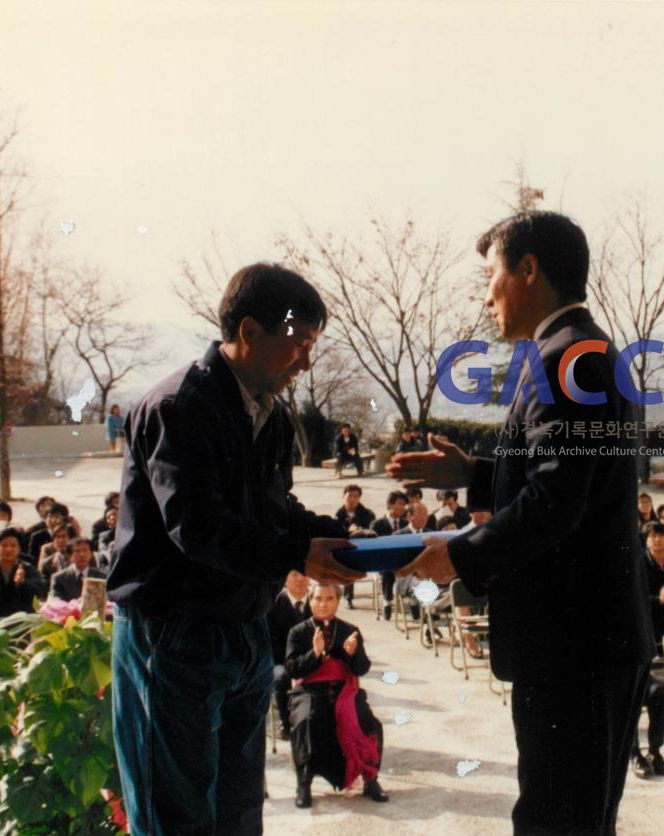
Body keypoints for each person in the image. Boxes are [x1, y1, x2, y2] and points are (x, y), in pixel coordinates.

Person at [390, 211, 653, 835]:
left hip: (575, 646)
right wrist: (475, 477)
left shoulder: (569, 361)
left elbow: (556, 503)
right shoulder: (577, 352)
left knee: (556, 821)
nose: (487, 295)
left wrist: (457, 554)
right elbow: (566, 485)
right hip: (584, 643)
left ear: (529, 270)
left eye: (492, 276)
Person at [107, 262, 361, 836]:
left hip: (242, 631)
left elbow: (276, 511)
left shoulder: (267, 413)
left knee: (239, 815)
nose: (306, 361)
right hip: (175, 635)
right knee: (176, 815)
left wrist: (342, 543)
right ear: (249, 332)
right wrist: (296, 555)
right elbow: (196, 526)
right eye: (299, 344)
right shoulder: (178, 407)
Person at [285, 582, 387, 807]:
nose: (323, 604)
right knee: (306, 721)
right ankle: (304, 784)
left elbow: (362, 669)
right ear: (310, 601)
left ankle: (371, 779)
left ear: (338, 601)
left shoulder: (350, 630)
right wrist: (315, 654)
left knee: (371, 724)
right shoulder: (298, 632)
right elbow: (292, 668)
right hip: (310, 691)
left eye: (329, 599)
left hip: (345, 690)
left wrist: (352, 654)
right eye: (318, 599)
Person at [632, 522, 664, 780]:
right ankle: (633, 754)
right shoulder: (637, 568)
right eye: (653, 537)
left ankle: (654, 751)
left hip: (643, 660)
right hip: (616, 673)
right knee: (625, 698)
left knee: (660, 693)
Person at [267, 570, 312, 738]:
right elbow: (271, 644)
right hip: (282, 661)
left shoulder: (318, 600)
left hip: (312, 660)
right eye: (294, 574)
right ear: (285, 580)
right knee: (281, 678)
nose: (300, 579)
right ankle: (286, 724)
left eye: (304, 574)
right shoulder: (273, 605)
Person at [369, 491, 409, 621]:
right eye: (400, 504)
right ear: (391, 504)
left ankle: (414, 601)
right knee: (388, 568)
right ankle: (387, 601)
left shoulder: (406, 524)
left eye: (404, 505)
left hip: (403, 561)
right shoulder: (377, 524)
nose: (403, 508)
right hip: (383, 561)